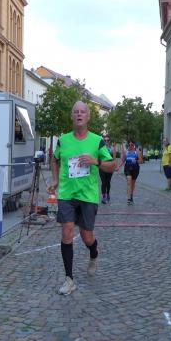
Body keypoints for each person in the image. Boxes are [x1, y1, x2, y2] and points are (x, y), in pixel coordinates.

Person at [47, 101, 115, 296]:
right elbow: (54, 159)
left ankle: (94, 252)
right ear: (72, 116)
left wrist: (95, 161)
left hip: (88, 195)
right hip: (67, 194)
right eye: (75, 111)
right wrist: (55, 179)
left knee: (87, 237)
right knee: (67, 232)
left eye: (82, 112)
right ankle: (69, 279)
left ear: (88, 117)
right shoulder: (63, 140)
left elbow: (112, 165)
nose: (79, 114)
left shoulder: (97, 141)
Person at [121, 140, 143, 205]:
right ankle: (128, 199)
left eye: (132, 145)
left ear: (134, 145)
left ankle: (131, 196)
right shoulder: (126, 151)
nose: (130, 146)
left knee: (132, 184)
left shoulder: (137, 151)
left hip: (135, 168)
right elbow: (123, 160)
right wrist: (118, 167)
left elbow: (141, 161)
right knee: (129, 182)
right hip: (127, 168)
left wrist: (136, 161)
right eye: (129, 145)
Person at [99, 135, 115, 204]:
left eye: (107, 140)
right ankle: (104, 197)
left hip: (110, 167)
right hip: (102, 167)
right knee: (103, 182)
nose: (106, 142)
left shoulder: (111, 149)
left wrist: (115, 166)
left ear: (109, 142)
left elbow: (114, 159)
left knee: (108, 182)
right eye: (105, 140)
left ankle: (108, 193)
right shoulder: (100, 149)